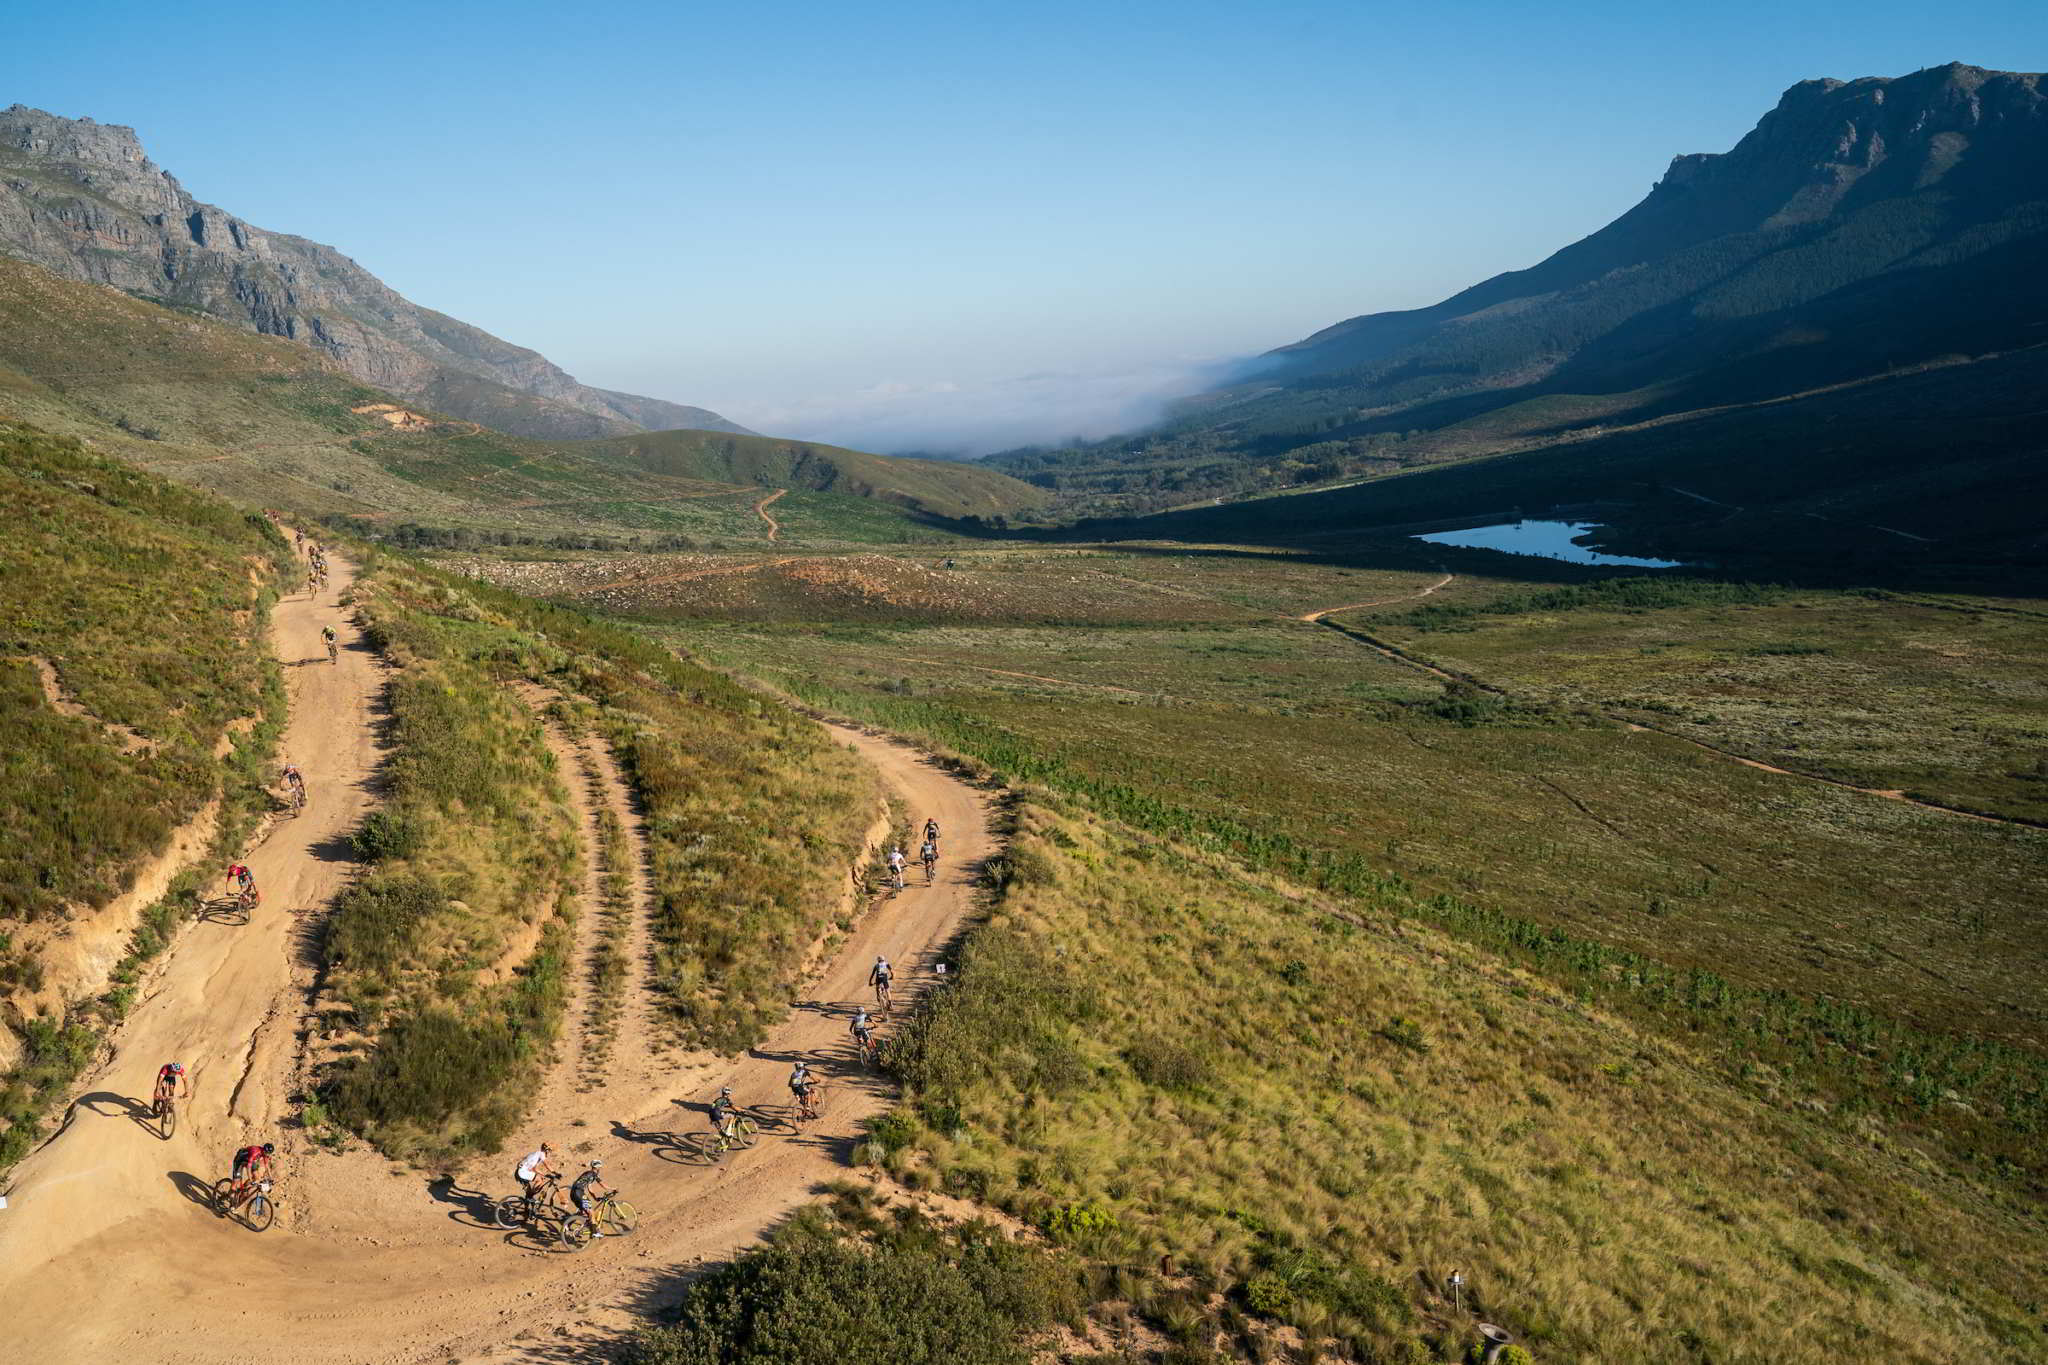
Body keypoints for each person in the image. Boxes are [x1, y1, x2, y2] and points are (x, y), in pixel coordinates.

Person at [569, 1160, 613, 1236]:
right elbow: (602, 1185)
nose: (600, 1170)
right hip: (579, 1192)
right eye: (600, 1168)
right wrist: (613, 1189)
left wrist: (595, 1198)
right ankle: (595, 1232)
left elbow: (590, 1188)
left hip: (573, 1193)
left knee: (583, 1212)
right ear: (597, 1168)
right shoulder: (593, 1174)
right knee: (591, 1212)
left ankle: (567, 1225)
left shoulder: (588, 1174)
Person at [514, 1142, 558, 1211]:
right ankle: (531, 1197)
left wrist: (543, 1174)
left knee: (528, 1194)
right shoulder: (541, 1154)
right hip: (523, 1172)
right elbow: (546, 1165)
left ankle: (526, 1212)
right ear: (547, 1150)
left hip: (520, 1172)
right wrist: (555, 1173)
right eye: (550, 1151)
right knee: (540, 1181)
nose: (549, 1153)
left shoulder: (536, 1153)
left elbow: (534, 1169)